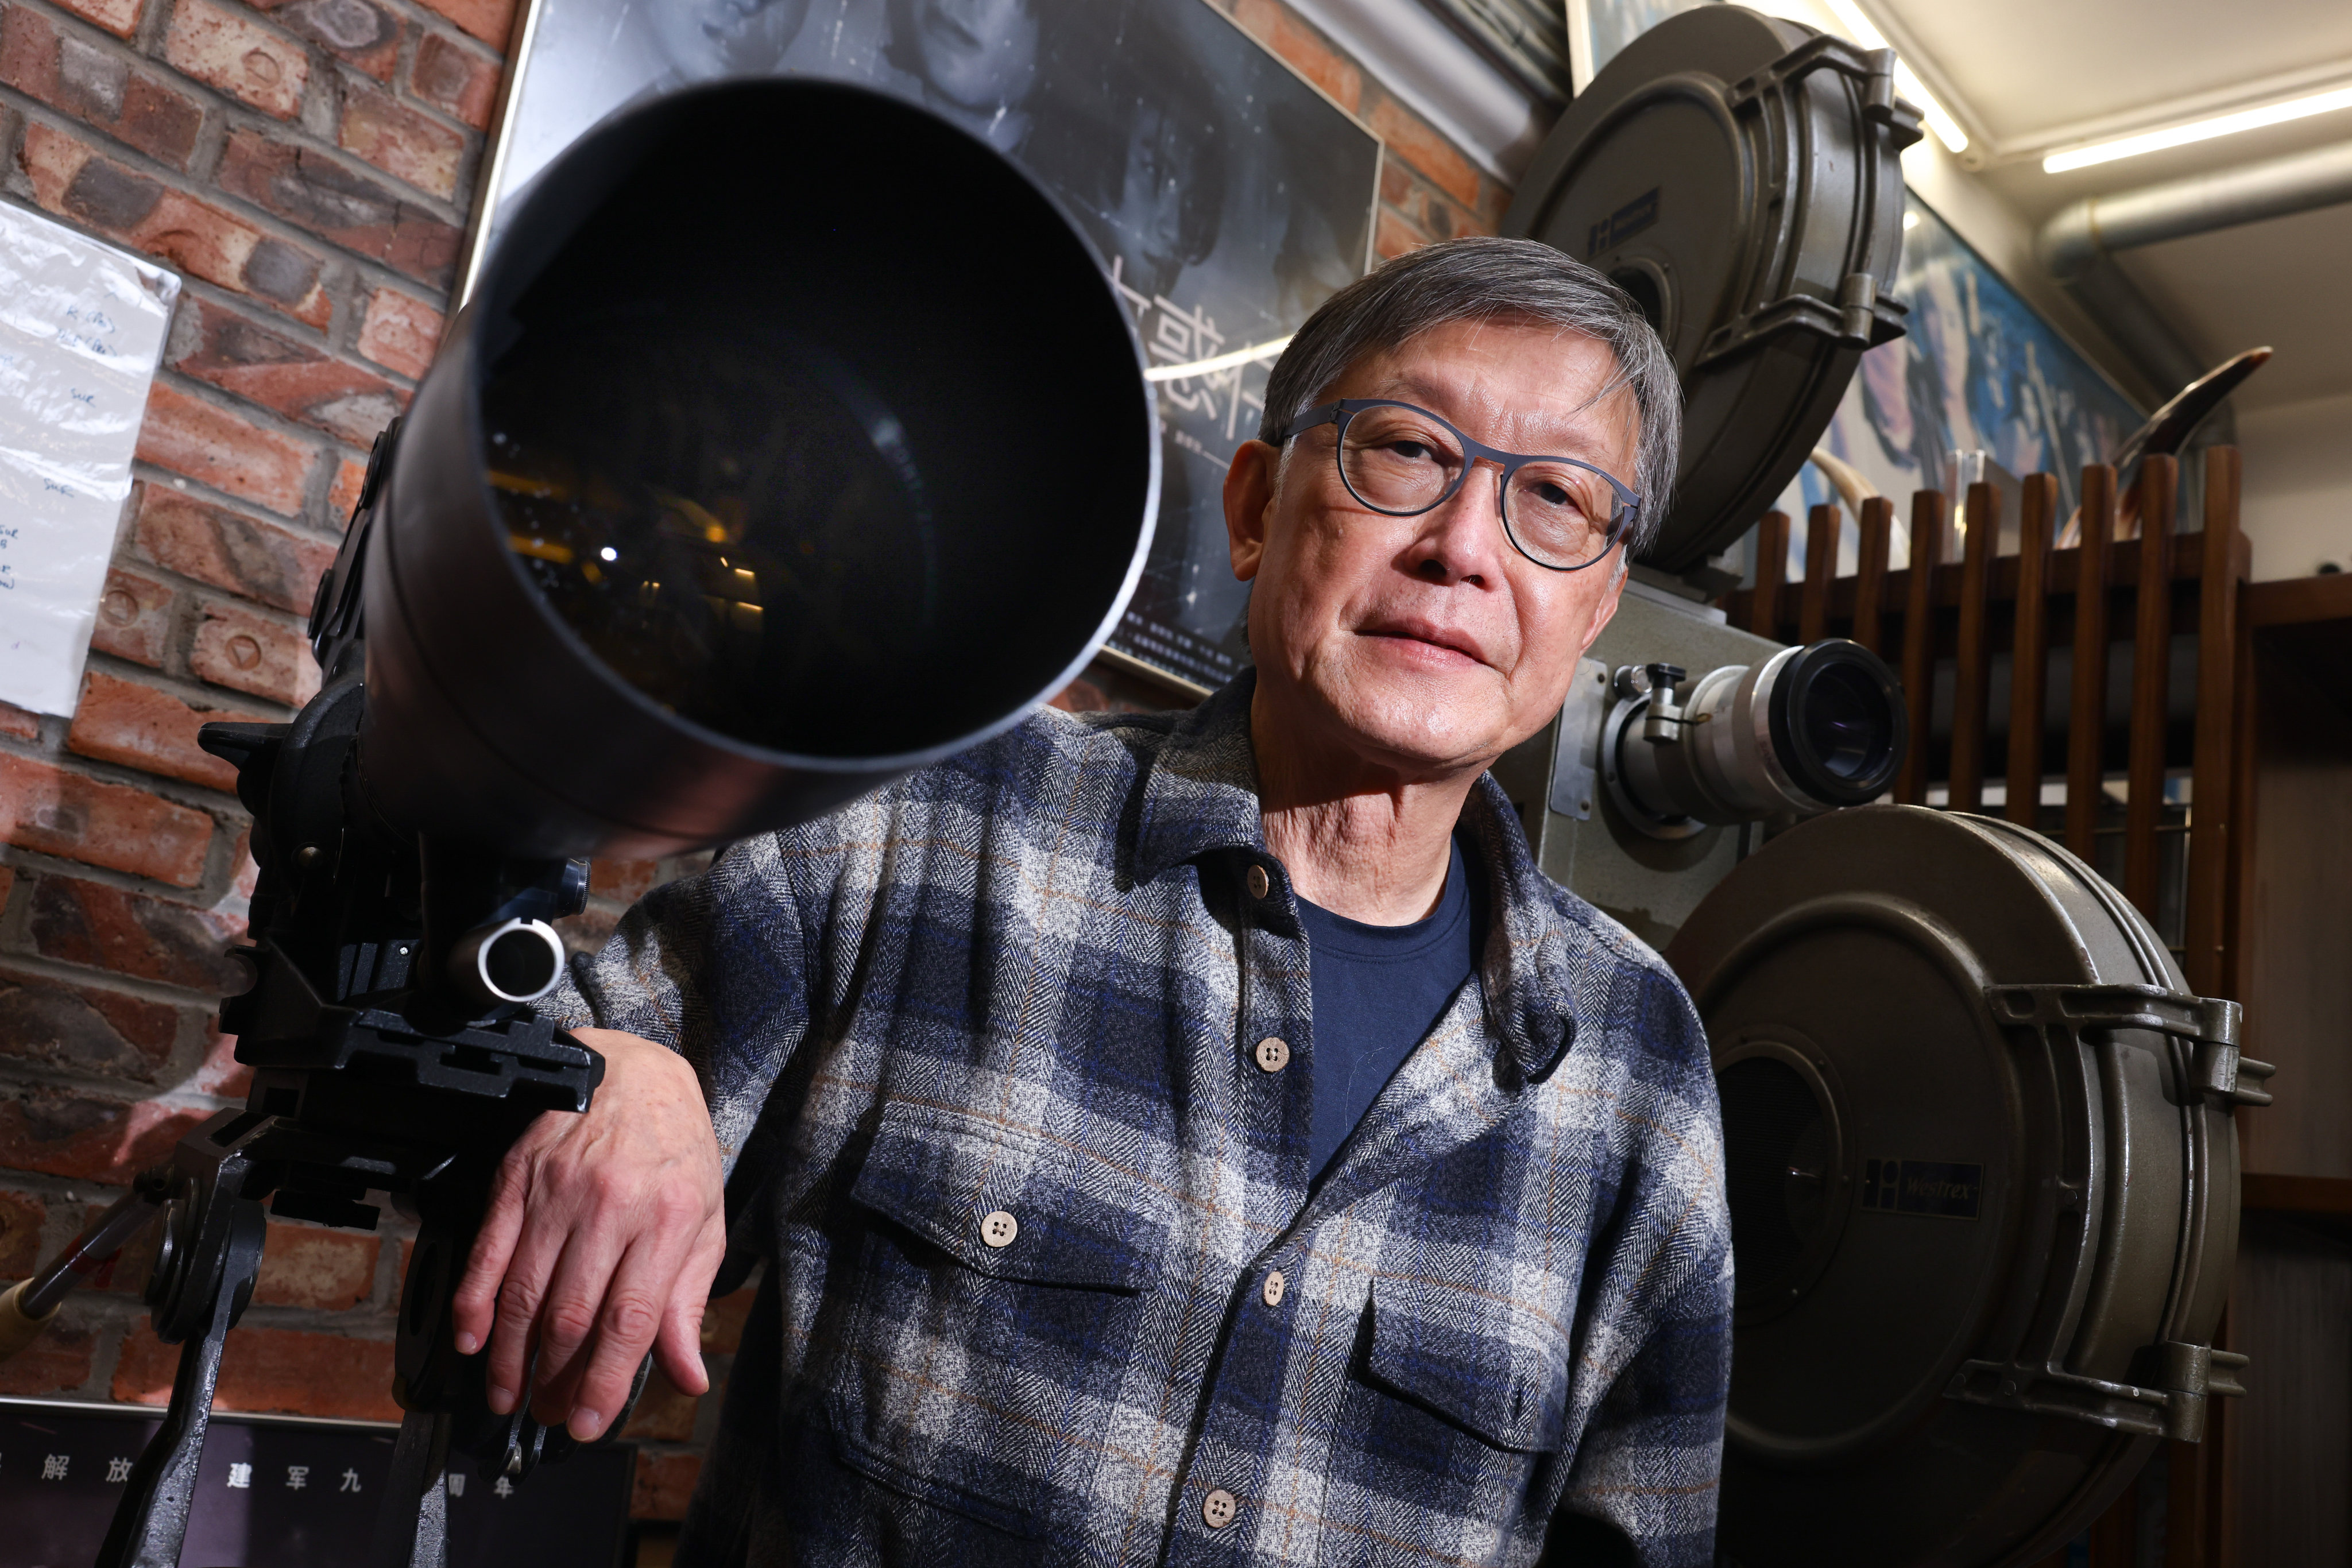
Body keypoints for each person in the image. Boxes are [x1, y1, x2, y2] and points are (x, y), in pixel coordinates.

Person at [450, 235, 1730, 1566]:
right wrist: (614, 1069)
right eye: (1404, 451)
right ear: (1253, 508)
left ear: (1595, 609)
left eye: (1556, 503)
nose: (1462, 548)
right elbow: (483, 1133)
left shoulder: (1639, 1067)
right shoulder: (932, 822)